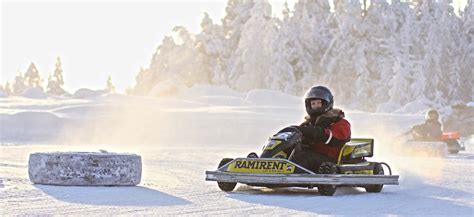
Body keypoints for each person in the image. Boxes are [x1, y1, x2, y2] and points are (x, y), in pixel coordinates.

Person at [289, 86, 351, 173]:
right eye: (313, 103)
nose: (316, 106)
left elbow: (338, 138)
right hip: (309, 156)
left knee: (304, 157)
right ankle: (268, 165)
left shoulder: (338, 121)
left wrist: (318, 132)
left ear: (326, 103)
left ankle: (285, 175)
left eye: (319, 103)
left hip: (329, 160)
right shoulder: (308, 123)